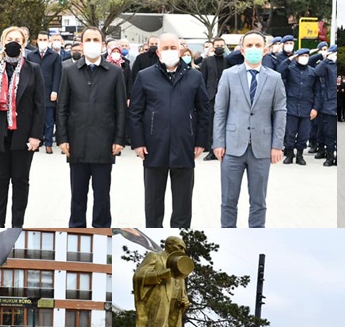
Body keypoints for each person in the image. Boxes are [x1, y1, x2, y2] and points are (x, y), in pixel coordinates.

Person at [129, 32, 210, 228]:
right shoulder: (144, 76)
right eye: (165, 48)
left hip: (184, 147)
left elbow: (204, 111)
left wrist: (200, 142)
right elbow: (135, 112)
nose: (170, 51)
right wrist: (138, 143)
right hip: (154, 147)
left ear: (181, 50)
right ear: (158, 52)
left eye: (173, 48)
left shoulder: (194, 76)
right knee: (153, 204)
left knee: (183, 205)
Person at [213, 30, 286, 228]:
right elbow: (220, 110)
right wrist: (218, 142)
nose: (254, 49)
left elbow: (280, 111)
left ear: (265, 50)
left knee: (258, 202)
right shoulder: (229, 75)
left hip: (262, 149)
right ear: (242, 49)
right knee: (228, 201)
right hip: (232, 147)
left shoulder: (275, 78)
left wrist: (277, 145)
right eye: (249, 45)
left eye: (258, 45)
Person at [56, 26, 127, 228]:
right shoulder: (69, 70)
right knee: (77, 195)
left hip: (104, 145)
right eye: (88, 40)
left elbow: (121, 108)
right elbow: (62, 107)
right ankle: (76, 229)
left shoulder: (114, 72)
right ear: (82, 43)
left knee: (102, 195)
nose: (92, 44)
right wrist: (62, 138)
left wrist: (119, 139)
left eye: (96, 40)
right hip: (76, 143)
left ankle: (102, 231)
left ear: (103, 45)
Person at [0, 26, 45, 228]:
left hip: (23, 137)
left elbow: (39, 106)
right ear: (3, 43)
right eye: (9, 39)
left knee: (21, 181)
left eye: (17, 39)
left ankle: (17, 226)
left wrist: (36, 136)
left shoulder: (33, 69)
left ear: (24, 43)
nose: (13, 42)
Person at [132, 236, 190, 327]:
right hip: (159, 306)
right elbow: (139, 276)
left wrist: (185, 300)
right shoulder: (155, 257)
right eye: (179, 247)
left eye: (184, 248)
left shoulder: (179, 266)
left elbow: (181, 289)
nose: (183, 251)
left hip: (174, 309)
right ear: (169, 245)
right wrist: (159, 275)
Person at [277, 47, 316, 166]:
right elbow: (279, 71)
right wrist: (289, 60)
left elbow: (317, 91)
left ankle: (300, 155)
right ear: (297, 57)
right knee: (290, 132)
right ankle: (289, 154)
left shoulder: (312, 72)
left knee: (304, 133)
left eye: (307, 56)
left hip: (306, 106)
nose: (304, 58)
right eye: (302, 56)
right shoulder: (290, 69)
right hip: (291, 105)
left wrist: (315, 108)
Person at [26, 31, 62, 154]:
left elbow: (58, 75)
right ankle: (36, 141)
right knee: (35, 118)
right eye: (40, 39)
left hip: (48, 92)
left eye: (44, 39)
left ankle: (48, 143)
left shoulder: (55, 56)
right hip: (33, 91)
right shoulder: (31, 55)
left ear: (49, 40)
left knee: (49, 120)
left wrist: (55, 91)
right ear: (36, 40)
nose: (42, 42)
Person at [199, 37, 233, 161]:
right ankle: (212, 150)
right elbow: (202, 79)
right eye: (217, 45)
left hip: (226, 95)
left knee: (225, 121)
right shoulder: (207, 61)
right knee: (212, 123)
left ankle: (225, 148)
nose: (219, 47)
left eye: (222, 45)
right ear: (213, 47)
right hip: (211, 95)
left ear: (225, 47)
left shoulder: (228, 61)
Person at [313, 46, 338, 166]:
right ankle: (329, 157)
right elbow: (317, 71)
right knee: (330, 134)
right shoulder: (328, 64)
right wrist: (327, 59)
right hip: (329, 104)